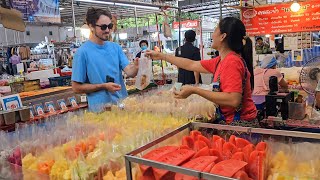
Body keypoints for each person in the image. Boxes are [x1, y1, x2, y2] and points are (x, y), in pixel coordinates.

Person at [146, 17, 258, 127]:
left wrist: (195, 90)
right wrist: (161, 56)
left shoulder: (232, 62)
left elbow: (233, 99)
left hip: (240, 125)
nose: (212, 35)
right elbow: (191, 64)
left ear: (223, 36)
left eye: (215, 30)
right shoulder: (220, 60)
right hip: (230, 122)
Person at [72, 8, 139, 112]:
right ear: (91, 26)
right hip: (100, 112)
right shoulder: (82, 52)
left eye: (110, 26)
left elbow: (130, 72)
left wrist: (137, 67)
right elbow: (76, 88)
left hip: (121, 107)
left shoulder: (115, 48)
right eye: (103, 27)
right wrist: (103, 86)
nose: (107, 30)